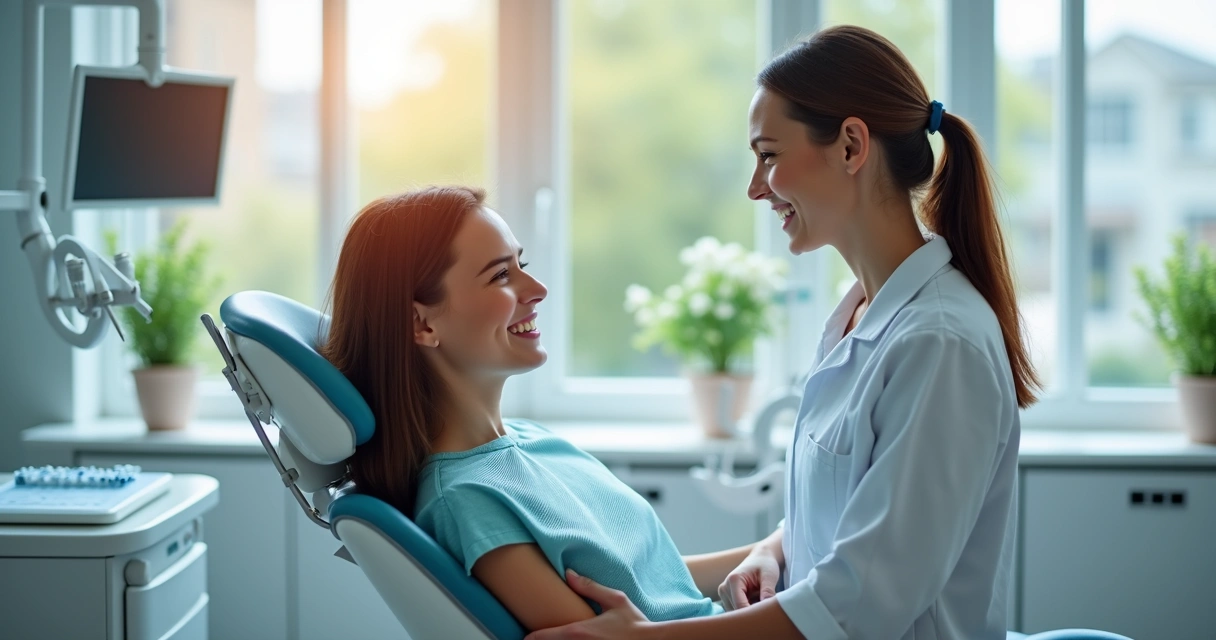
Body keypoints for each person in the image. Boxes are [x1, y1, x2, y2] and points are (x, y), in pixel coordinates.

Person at [528, 25, 1040, 640]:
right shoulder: (861, 317)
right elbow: (855, 518)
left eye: (768, 156)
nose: (755, 187)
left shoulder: (939, 342)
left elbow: (861, 603)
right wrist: (776, 549)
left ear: (851, 146)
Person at [320, 186, 747, 632]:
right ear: (421, 323)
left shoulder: (532, 439)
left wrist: (775, 547)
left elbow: (655, 586)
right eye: (501, 275)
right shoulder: (466, 500)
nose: (538, 289)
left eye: (521, 265)